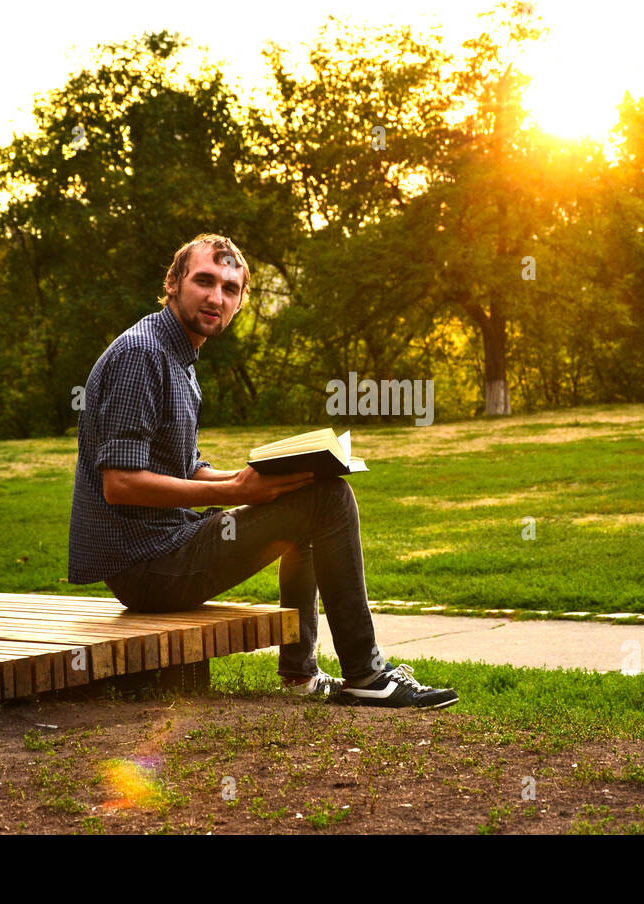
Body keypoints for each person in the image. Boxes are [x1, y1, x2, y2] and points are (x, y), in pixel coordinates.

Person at [67, 233, 458, 709]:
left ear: (238, 304)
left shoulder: (178, 358)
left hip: (165, 549)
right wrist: (236, 489)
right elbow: (120, 484)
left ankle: (301, 674)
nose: (216, 297)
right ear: (173, 283)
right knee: (330, 501)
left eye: (230, 289)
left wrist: (260, 481)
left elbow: (182, 466)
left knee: (310, 490)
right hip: (148, 567)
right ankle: (366, 674)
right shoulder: (141, 354)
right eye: (205, 281)